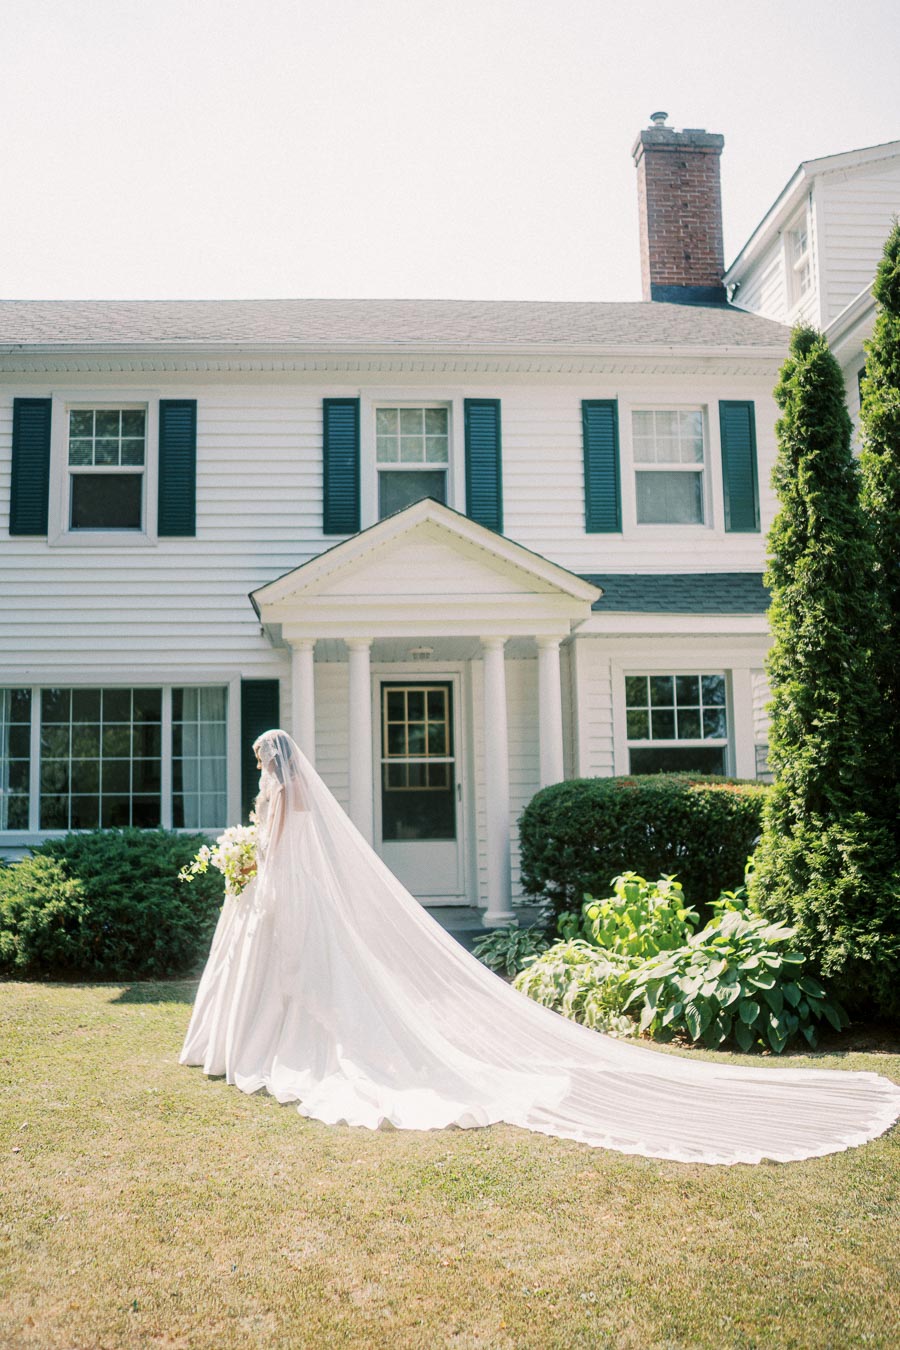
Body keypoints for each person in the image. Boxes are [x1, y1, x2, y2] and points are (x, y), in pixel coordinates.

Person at [181, 729, 900, 1164]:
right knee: (303, 978)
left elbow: (276, 848)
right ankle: (267, 1040)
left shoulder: (281, 800)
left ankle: (276, 1047)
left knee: (305, 979)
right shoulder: (292, 796)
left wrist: (247, 860)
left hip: (281, 894)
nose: (256, 771)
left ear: (273, 764)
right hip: (283, 896)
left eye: (258, 762)